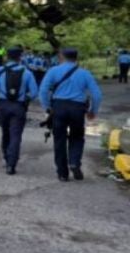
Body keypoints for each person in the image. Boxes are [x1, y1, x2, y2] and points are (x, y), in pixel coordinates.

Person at [39, 48, 102, 182]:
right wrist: (93, 111)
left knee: (59, 139)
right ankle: (74, 162)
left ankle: (62, 173)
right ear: (76, 58)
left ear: (61, 56)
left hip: (59, 107)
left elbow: (43, 91)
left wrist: (47, 108)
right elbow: (97, 95)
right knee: (77, 136)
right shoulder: (85, 73)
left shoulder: (53, 71)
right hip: (77, 108)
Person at [0, 46, 38, 175]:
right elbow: (35, 92)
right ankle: (11, 165)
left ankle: (6, 156)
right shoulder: (27, 72)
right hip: (19, 106)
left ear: (7, 57)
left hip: (3, 105)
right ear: (20, 57)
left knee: (5, 132)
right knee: (16, 135)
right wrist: (26, 98)